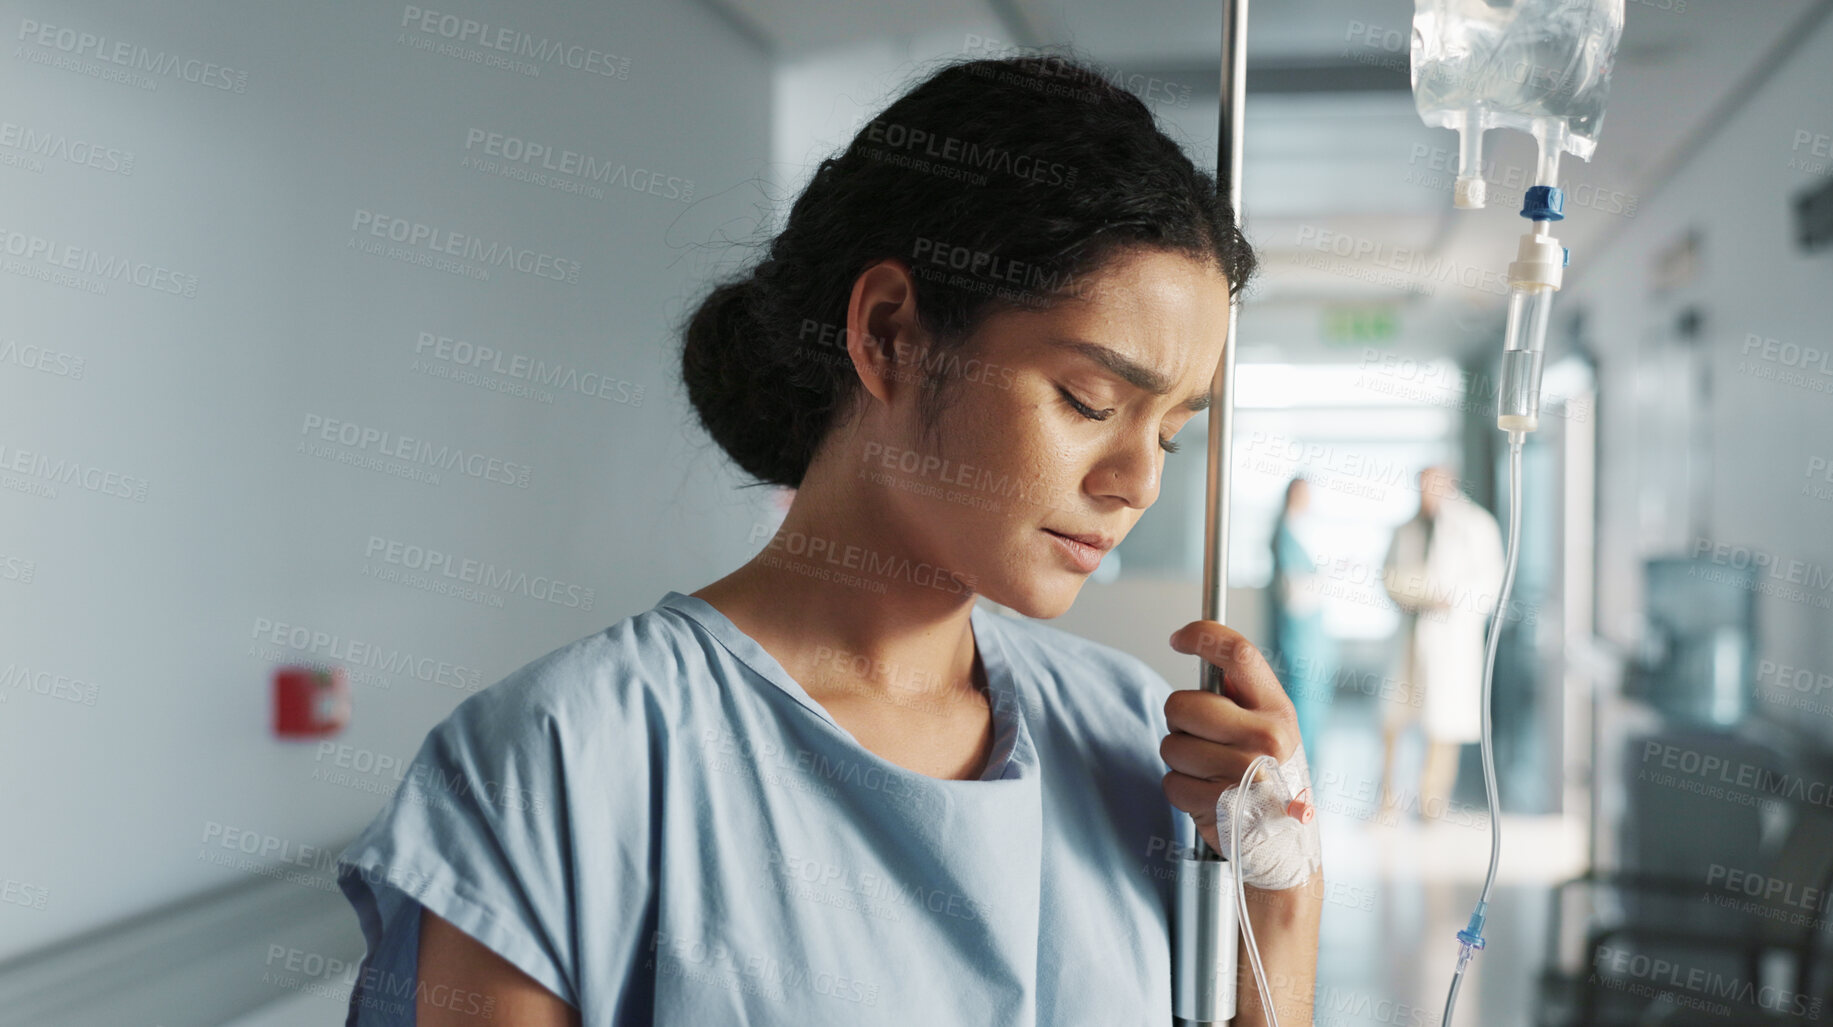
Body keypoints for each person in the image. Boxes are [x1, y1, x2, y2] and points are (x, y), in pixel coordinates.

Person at [333, 49, 1322, 1027]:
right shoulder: (560, 760)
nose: (1138, 481)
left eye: (1173, 433)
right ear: (891, 333)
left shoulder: (1142, 745)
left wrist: (1276, 903)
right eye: (1088, 398)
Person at [1378, 465, 1506, 821]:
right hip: (1409, 635)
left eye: (1433, 487)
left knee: (1442, 724)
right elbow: (1388, 577)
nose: (1426, 495)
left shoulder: (1475, 527)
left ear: (1449, 485)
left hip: (1450, 639)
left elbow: (1489, 584)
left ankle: (1431, 802)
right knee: (1393, 719)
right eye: (1421, 487)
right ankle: (1387, 799)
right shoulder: (1406, 529)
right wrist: (1415, 592)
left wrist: (1448, 596)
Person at [1267, 476, 1337, 769]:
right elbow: (1294, 596)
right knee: (1300, 713)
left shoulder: (1297, 533)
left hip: (1309, 640)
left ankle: (1306, 783)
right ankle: (1299, 782)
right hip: (1298, 641)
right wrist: (1324, 579)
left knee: (1311, 712)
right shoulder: (1284, 536)